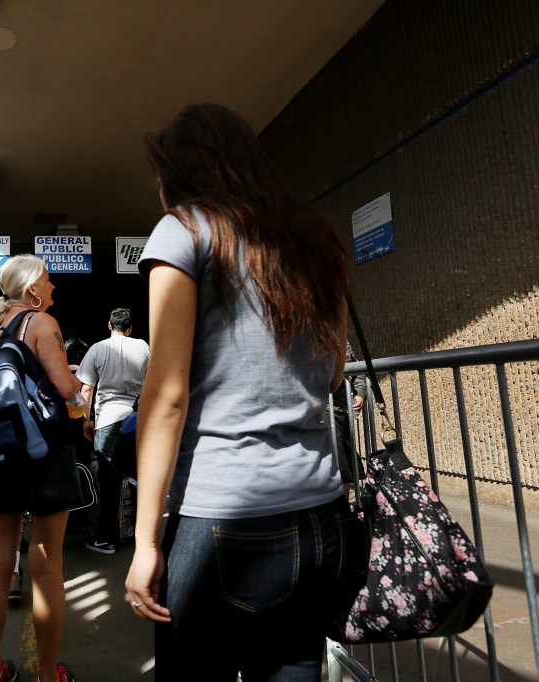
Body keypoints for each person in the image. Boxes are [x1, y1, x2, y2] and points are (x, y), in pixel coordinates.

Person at [124, 103, 368, 680]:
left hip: (224, 517)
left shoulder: (182, 231)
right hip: (320, 513)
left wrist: (144, 540)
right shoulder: (313, 237)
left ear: (179, 172)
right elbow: (333, 373)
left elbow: (167, 396)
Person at [0, 254, 81, 682]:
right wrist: (79, 386)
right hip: (43, 456)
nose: (54, 288)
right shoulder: (41, 323)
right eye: (49, 281)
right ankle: (46, 675)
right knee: (46, 562)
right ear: (33, 290)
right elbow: (64, 388)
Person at [76, 308, 149, 554]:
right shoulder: (143, 347)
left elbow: (86, 389)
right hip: (135, 420)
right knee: (138, 476)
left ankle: (106, 538)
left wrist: (85, 420)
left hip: (107, 421)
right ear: (130, 328)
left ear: (109, 325)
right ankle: (142, 535)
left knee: (109, 479)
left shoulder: (98, 348)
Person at [330, 341, 367, 500]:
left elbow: (357, 370)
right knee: (336, 466)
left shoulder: (341, 339)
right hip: (320, 411)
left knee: (343, 466)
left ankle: (342, 514)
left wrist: (360, 394)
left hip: (341, 412)